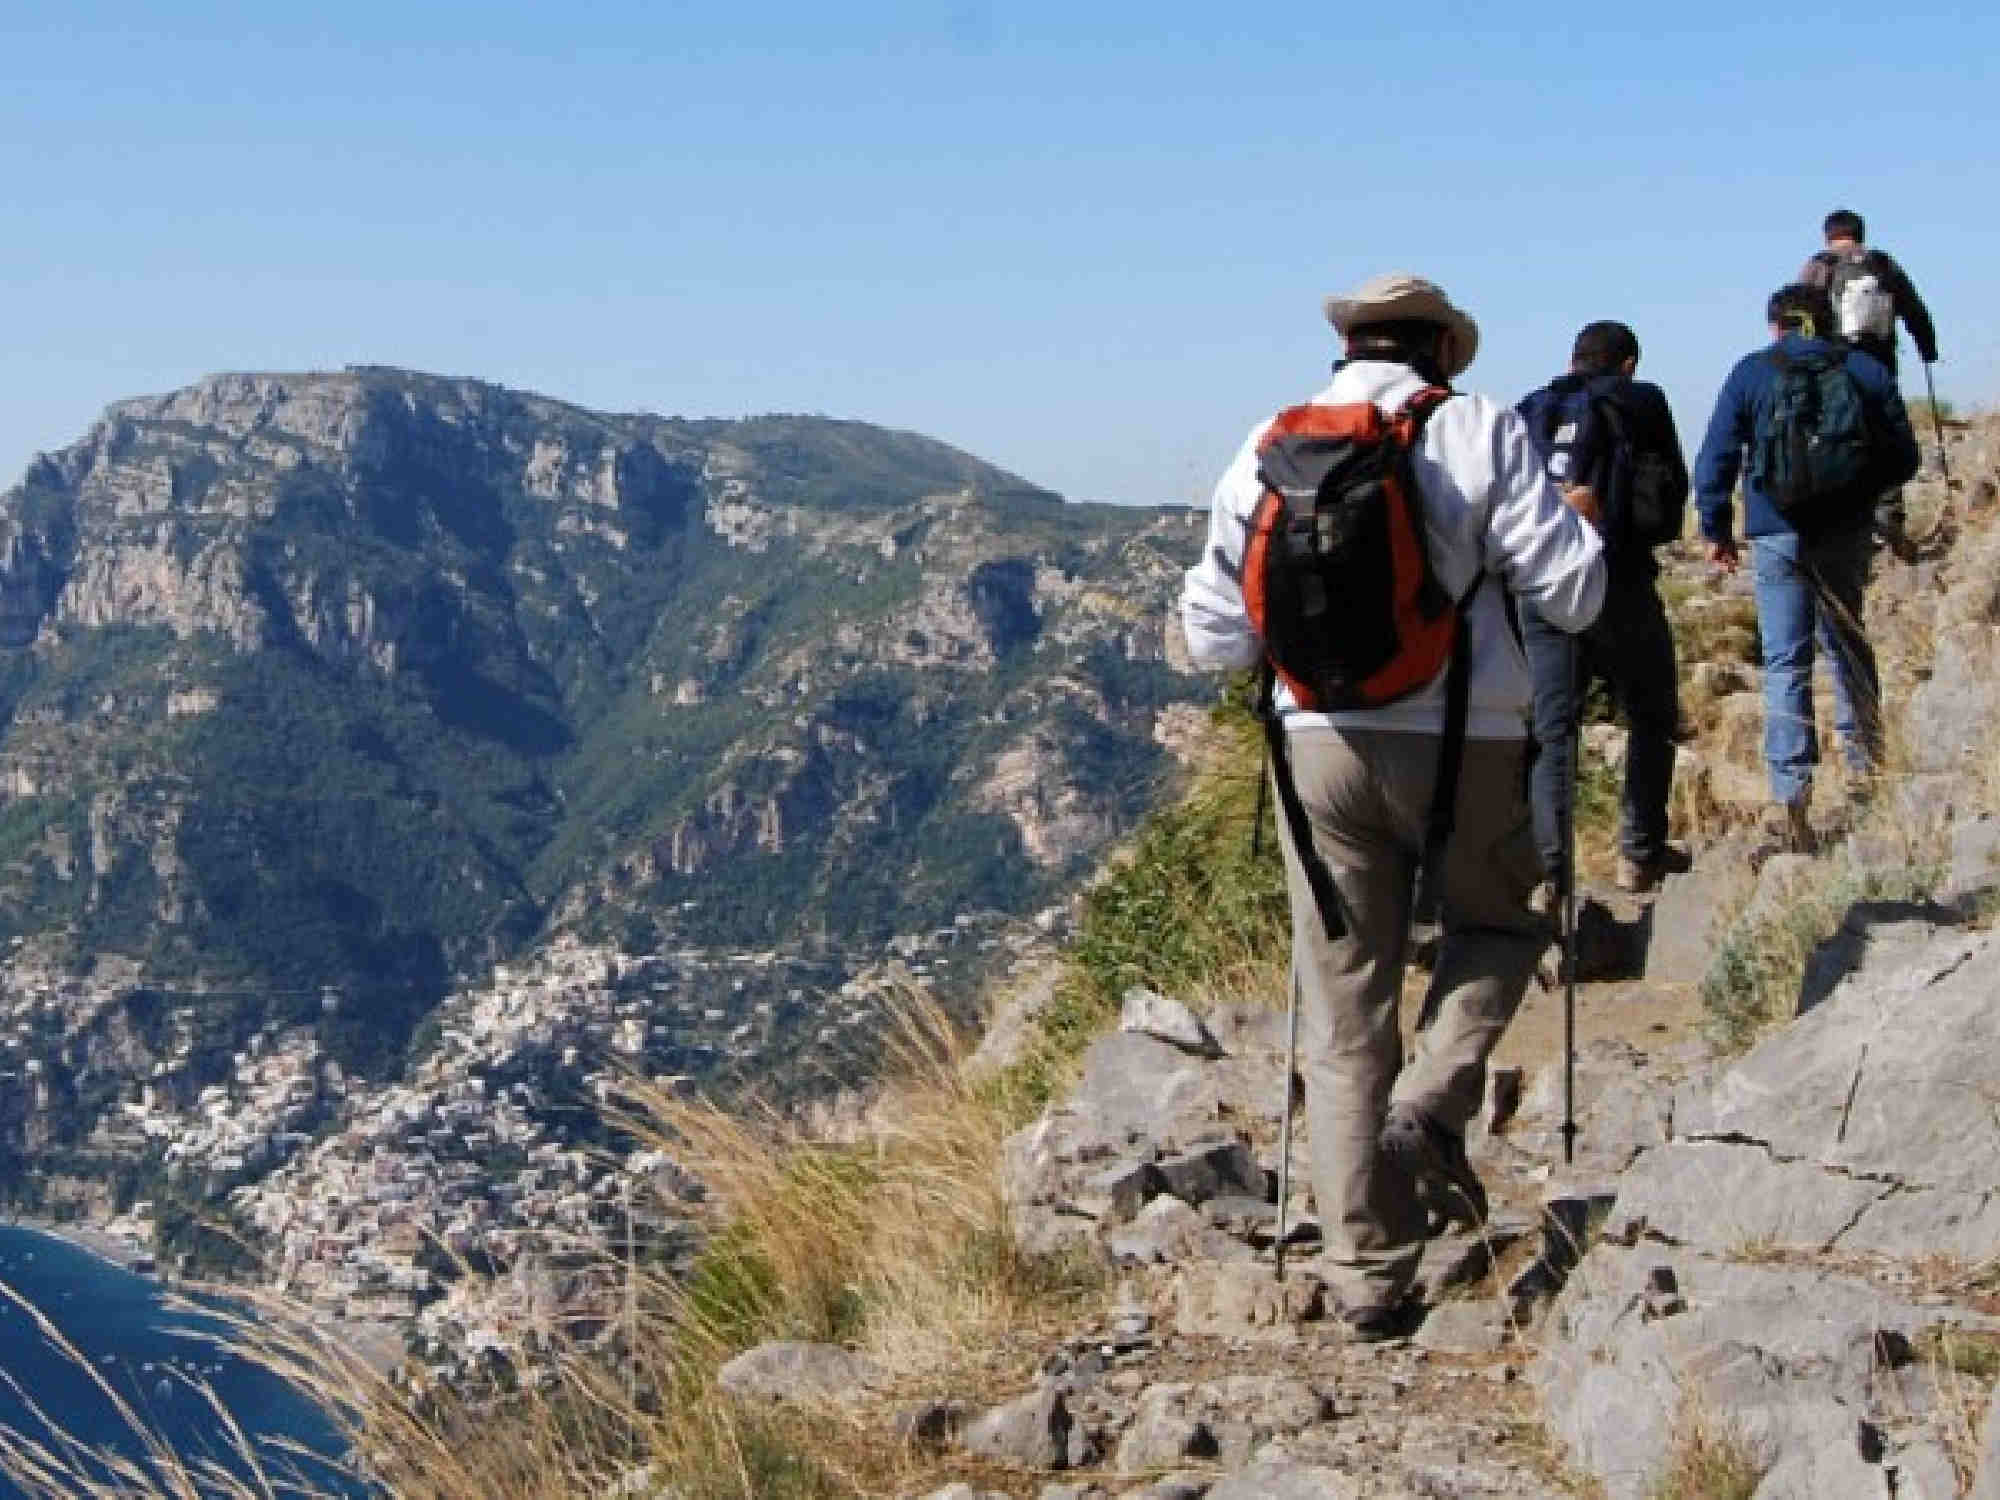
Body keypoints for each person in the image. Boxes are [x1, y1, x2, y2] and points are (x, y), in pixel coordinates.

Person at [1179, 273, 1605, 1336]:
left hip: (1315, 744)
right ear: (1441, 352)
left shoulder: (1270, 440)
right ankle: (1431, 1099)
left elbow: (1212, 634)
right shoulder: (1476, 429)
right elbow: (1575, 591)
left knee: (1340, 1008)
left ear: (1348, 349)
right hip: (1469, 737)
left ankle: (1367, 1273)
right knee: (1500, 925)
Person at [1691, 283, 1920, 852]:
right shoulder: (1864, 369)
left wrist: (1717, 529)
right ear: (1827, 321)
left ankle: (1791, 796)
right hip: (1844, 530)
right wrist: (1862, 495)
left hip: (1776, 530)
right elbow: (1905, 454)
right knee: (1847, 640)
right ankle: (1869, 772)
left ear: (1776, 326)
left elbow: (1716, 457)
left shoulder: (1751, 372)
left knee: (1785, 659)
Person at [1516, 321, 1690, 895]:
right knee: (1651, 711)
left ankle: (1549, 875)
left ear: (1573, 359)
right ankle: (1638, 855)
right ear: (1628, 364)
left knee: (1552, 730)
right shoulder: (1641, 401)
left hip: (1541, 585)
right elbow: (1670, 490)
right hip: (1618, 579)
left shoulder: (1532, 407)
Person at [1799, 208, 1939, 555]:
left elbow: (1799, 313)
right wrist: (1927, 349)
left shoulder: (1818, 266)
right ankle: (1888, 518)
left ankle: (1847, 521)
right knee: (1884, 434)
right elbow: (1916, 310)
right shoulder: (1882, 264)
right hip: (1880, 366)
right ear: (1860, 233)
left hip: (1834, 371)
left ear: (1828, 235)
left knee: (1840, 438)